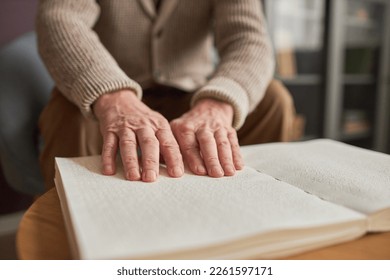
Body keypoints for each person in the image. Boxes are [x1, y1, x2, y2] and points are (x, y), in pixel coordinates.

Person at [36, 0, 296, 188]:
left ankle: (255, 205)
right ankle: (72, 223)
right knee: (68, 112)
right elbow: (60, 18)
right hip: (111, 92)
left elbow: (248, 38)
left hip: (193, 93)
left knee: (275, 100)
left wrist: (217, 105)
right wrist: (112, 96)